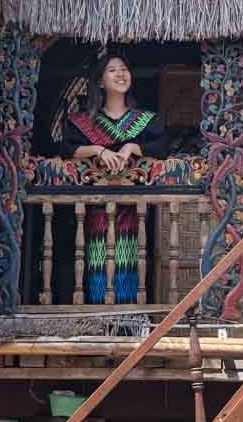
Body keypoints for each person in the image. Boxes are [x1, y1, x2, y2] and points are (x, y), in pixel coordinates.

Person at [61, 53, 169, 304]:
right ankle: (99, 322)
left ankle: (129, 326)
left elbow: (162, 147)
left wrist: (132, 146)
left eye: (124, 69)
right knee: (97, 264)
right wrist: (97, 150)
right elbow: (67, 150)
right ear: (100, 81)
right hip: (96, 208)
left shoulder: (145, 121)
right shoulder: (84, 122)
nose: (121, 74)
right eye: (112, 70)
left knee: (134, 264)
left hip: (134, 209)